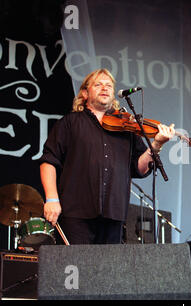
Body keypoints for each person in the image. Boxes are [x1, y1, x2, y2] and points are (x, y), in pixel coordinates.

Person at [39, 68, 175, 245]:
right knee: (76, 270)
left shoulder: (127, 129)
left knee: (107, 271)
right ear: (85, 93)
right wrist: (51, 199)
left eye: (109, 85)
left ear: (113, 94)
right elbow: (48, 162)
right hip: (76, 213)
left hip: (114, 214)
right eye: (98, 84)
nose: (104, 88)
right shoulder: (70, 123)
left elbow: (139, 168)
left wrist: (156, 145)